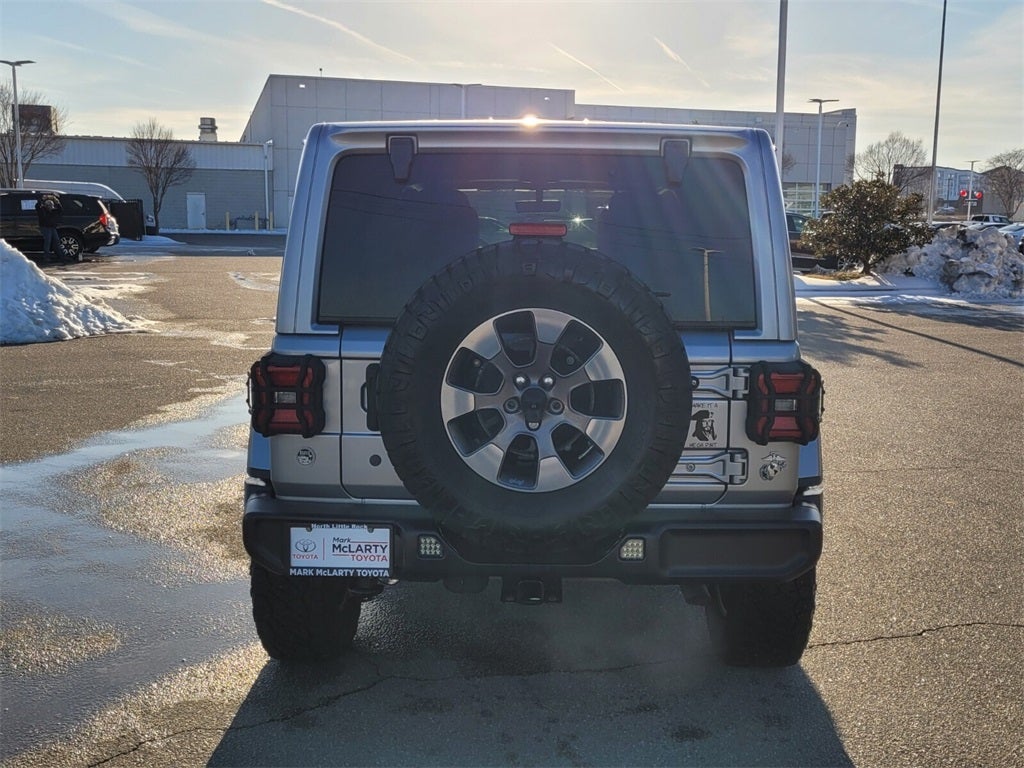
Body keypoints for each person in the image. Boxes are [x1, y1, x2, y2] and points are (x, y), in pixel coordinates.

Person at [35, 193, 64, 261]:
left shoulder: (53, 211)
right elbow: (37, 206)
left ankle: (60, 255)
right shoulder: (42, 210)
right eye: (50, 205)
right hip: (45, 227)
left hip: (52, 227)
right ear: (46, 205)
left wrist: (56, 201)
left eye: (52, 205)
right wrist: (42, 199)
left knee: (56, 240)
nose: (51, 207)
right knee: (47, 241)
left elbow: (60, 210)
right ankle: (46, 257)